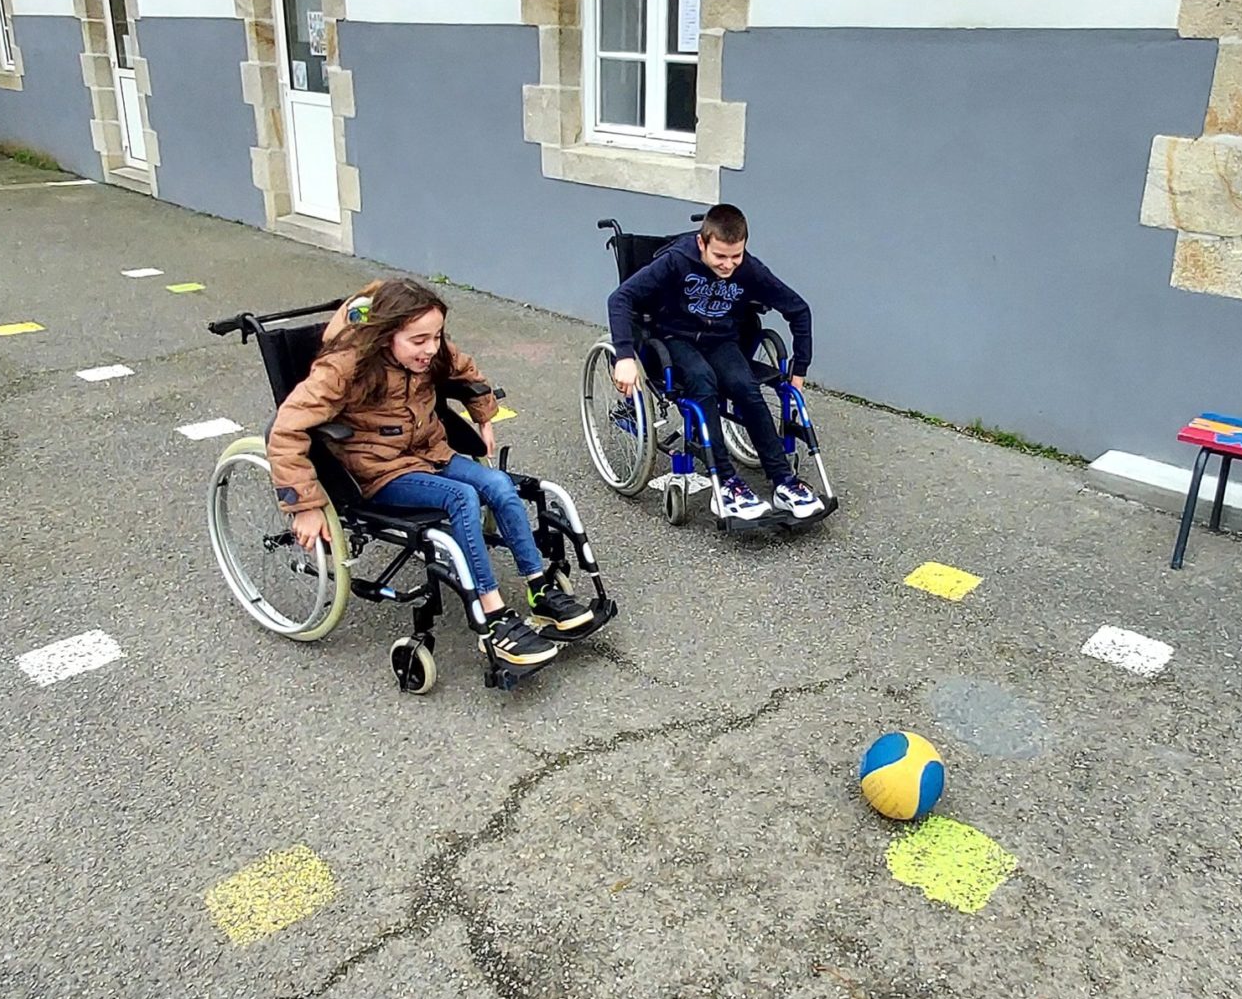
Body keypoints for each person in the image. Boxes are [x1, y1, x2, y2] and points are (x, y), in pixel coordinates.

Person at [267, 277, 594, 668]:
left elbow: (465, 370)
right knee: (462, 497)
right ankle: (492, 614)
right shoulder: (344, 366)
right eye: (419, 340)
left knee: (499, 484)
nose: (431, 348)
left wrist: (483, 416)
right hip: (379, 471)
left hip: (430, 451)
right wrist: (304, 506)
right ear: (386, 335)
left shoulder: (430, 351)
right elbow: (285, 429)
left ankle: (538, 587)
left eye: (436, 336)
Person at [607, 203, 824, 523]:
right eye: (720, 256)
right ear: (702, 242)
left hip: (721, 340)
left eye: (736, 256)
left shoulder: (748, 268)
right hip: (674, 338)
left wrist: (800, 369)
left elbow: (799, 309)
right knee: (702, 380)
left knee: (745, 387)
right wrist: (624, 356)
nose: (728, 264)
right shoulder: (676, 261)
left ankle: (783, 480)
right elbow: (620, 299)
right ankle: (725, 481)